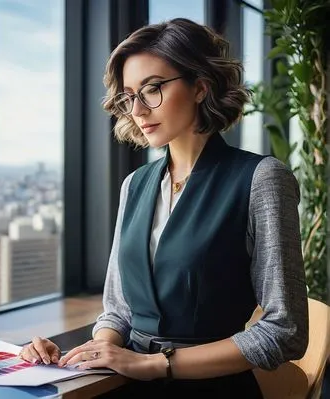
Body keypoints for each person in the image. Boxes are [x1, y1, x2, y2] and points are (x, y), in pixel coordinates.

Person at [19, 18, 309, 397]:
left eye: (152, 89)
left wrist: (155, 365)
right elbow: (118, 310)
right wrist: (95, 350)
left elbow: (284, 332)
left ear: (201, 87)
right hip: (125, 380)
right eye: (128, 95)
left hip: (211, 388)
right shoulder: (135, 185)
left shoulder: (261, 179)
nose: (137, 109)